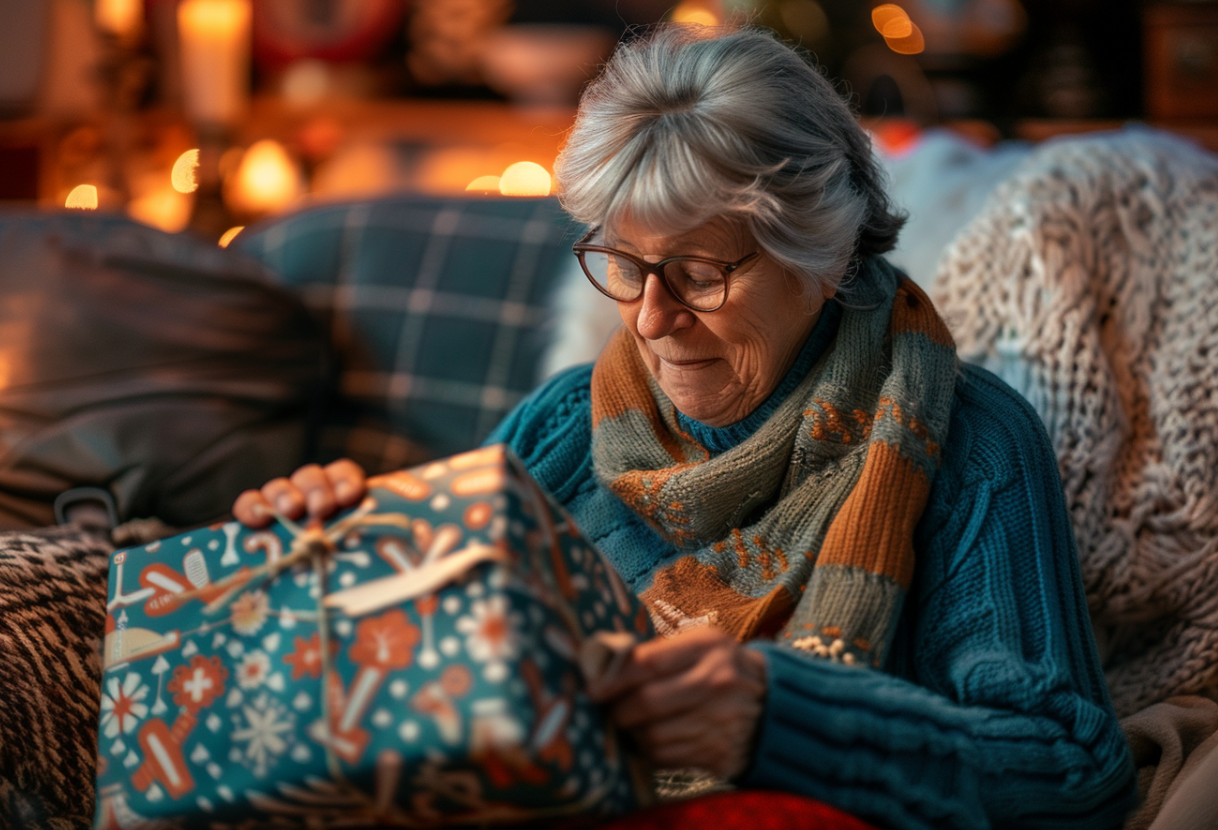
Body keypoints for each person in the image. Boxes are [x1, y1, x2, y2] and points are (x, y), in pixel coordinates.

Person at [234, 24, 1136, 830]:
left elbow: (1071, 769)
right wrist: (328, 552)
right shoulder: (561, 424)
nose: (650, 319)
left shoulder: (969, 440)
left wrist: (781, 720)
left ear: (821, 253)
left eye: (699, 273)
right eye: (624, 267)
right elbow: (417, 659)